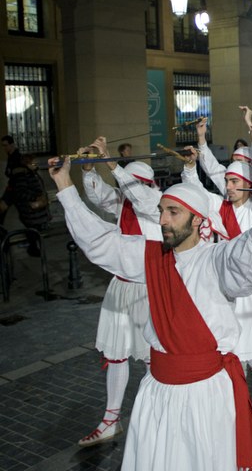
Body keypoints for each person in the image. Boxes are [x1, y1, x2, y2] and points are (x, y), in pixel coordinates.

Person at [49, 157, 252, 470]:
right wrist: (64, 184)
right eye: (162, 211)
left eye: (173, 212)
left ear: (197, 221)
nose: (163, 220)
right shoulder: (149, 257)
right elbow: (99, 241)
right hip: (158, 392)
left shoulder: (214, 258)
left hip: (205, 393)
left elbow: (245, 264)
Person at [182, 120, 252, 430]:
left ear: (248, 185)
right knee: (229, 349)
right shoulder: (219, 205)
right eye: (226, 182)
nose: (228, 187)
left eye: (234, 182)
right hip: (226, 290)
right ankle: (233, 401)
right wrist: (191, 162)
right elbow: (197, 191)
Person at [77, 137, 162, 446]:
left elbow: (140, 198)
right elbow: (99, 195)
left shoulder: (156, 203)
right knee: (115, 355)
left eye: (135, 184)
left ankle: (159, 413)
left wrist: (113, 165)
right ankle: (111, 418)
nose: (129, 190)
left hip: (147, 291)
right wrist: (89, 169)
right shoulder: (124, 202)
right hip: (120, 287)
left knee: (152, 357)